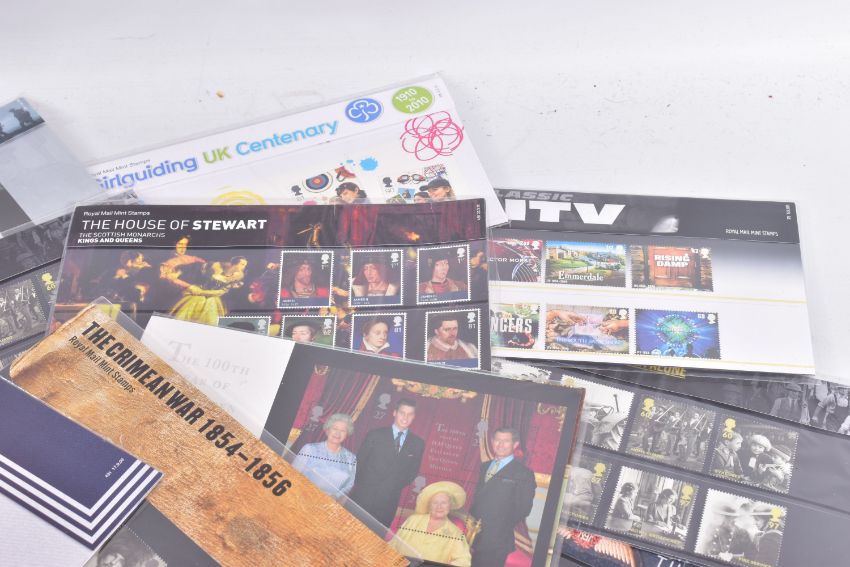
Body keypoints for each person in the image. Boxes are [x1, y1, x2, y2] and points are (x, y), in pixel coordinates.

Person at [351, 399, 425, 527]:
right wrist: (363, 486)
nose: (405, 417)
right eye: (402, 413)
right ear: (394, 413)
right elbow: (359, 463)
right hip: (362, 497)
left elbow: (412, 472)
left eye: (410, 414)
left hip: (388, 502)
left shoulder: (418, 443)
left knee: (375, 536)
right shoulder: (375, 435)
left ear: (414, 417)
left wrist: (392, 486)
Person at [469, 428, 536, 567]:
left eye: (505, 441)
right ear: (492, 442)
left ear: (515, 444)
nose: (500, 445)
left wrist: (497, 527)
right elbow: (478, 498)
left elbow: (524, 509)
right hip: (475, 535)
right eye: (497, 440)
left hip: (497, 540)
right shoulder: (484, 466)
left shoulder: (524, 473)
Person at [392, 481, 472, 566]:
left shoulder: (456, 533)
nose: (439, 507)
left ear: (450, 505)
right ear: (429, 505)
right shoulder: (413, 520)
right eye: (435, 502)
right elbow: (393, 544)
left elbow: (464, 561)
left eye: (444, 503)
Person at [292, 414, 357, 496]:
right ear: (327, 430)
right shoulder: (309, 449)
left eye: (343, 431)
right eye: (335, 429)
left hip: (329, 502)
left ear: (347, 434)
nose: (338, 433)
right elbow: (292, 474)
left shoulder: (351, 458)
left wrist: (335, 496)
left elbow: (349, 485)